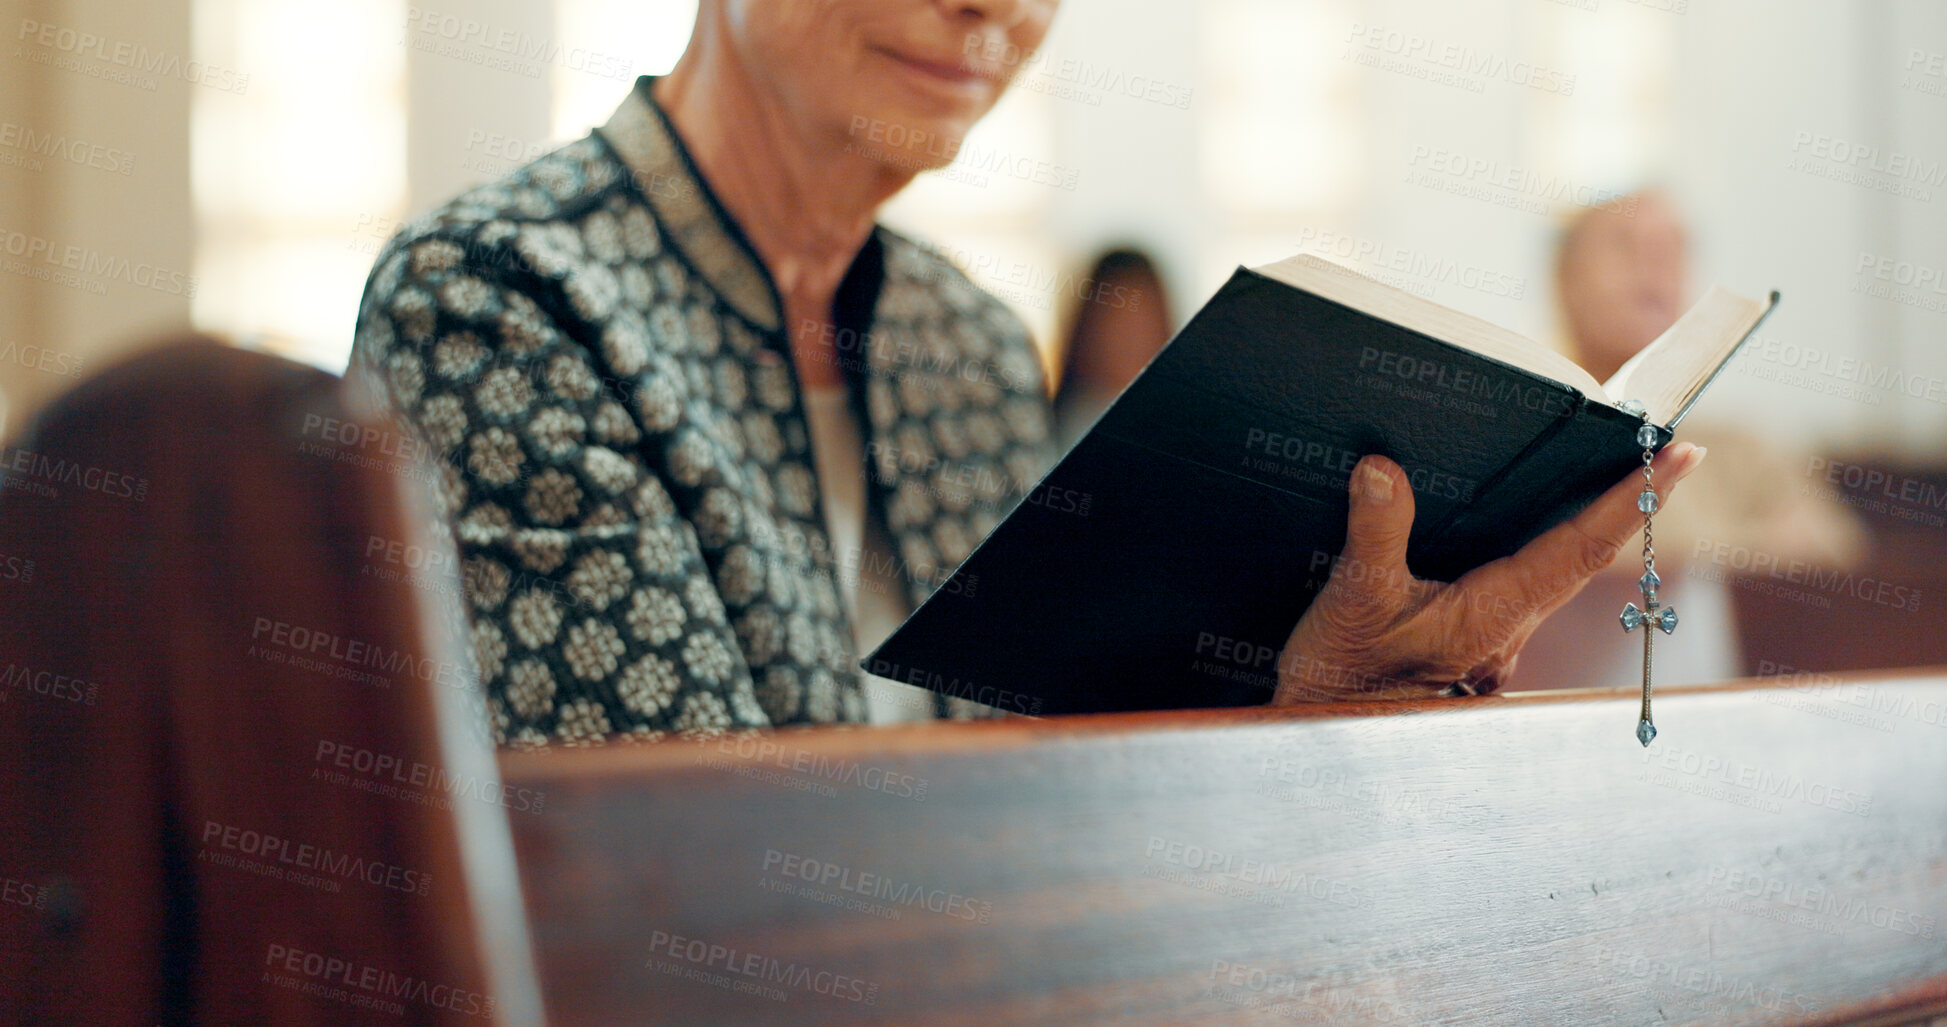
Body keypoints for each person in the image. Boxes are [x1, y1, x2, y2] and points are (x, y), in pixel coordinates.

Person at [351, 0, 1705, 747]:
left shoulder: (965, 346)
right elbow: (677, 878)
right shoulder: (496, 303)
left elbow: (1080, 797)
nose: (992, 5)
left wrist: (1311, 699)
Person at [1507, 188, 1861, 690]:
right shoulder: (1518, 437)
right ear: (1564, 277)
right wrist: (1727, 548)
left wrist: (1681, 556)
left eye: (1672, 250)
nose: (1653, 268)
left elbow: (1831, 550)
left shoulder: (1741, 446)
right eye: (1625, 245)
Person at [1052, 247, 1175, 448]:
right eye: (1119, 326)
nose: (1133, 342)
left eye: (1143, 325)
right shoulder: (1054, 426)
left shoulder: (1182, 424)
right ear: (1086, 330)